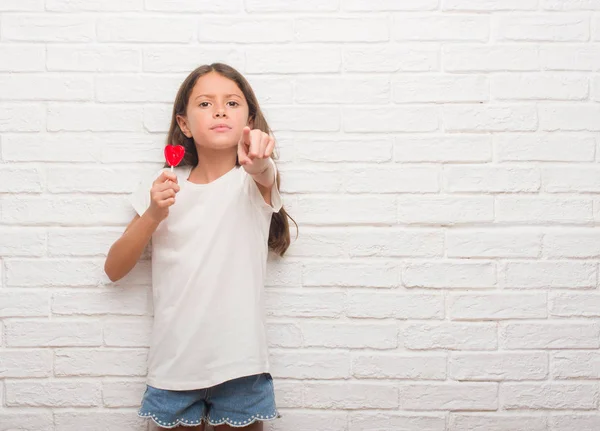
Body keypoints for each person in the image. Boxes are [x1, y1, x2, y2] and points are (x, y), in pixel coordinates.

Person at [104, 63, 297, 430]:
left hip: (242, 367)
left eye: (232, 103)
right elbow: (114, 269)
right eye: (206, 104)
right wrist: (153, 214)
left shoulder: (252, 182)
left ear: (249, 122)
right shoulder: (164, 185)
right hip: (173, 369)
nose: (220, 110)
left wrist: (259, 161)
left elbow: (264, 172)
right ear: (185, 124)